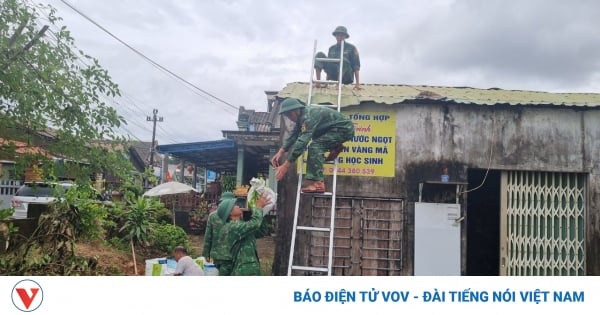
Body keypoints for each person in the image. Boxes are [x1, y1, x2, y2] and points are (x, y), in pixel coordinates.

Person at [271, 98, 355, 193]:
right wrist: (280, 152)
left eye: (289, 114)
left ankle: (319, 183)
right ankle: (336, 146)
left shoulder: (308, 117)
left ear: (297, 110)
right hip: (332, 129)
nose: (289, 118)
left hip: (343, 130)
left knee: (315, 147)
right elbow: (294, 135)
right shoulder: (301, 118)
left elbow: (302, 142)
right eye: (287, 116)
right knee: (316, 138)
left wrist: (286, 166)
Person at [216, 192, 271, 276]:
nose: (238, 206)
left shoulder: (241, 225)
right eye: (234, 205)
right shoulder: (232, 227)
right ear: (230, 213)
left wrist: (262, 212)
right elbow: (255, 224)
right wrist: (258, 208)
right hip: (243, 271)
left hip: (251, 269)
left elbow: (261, 231)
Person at [314, 26, 361, 90]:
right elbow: (329, 66)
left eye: (342, 35)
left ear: (345, 36)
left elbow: (356, 66)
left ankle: (338, 85)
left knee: (343, 60)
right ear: (335, 35)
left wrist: (357, 84)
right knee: (319, 55)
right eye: (338, 35)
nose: (339, 37)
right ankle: (318, 83)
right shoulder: (331, 48)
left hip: (346, 76)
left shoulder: (351, 48)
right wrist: (326, 83)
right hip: (334, 74)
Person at [202, 191, 235, 274]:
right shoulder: (236, 215)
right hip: (232, 254)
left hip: (217, 254)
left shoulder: (212, 216)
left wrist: (206, 253)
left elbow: (208, 236)